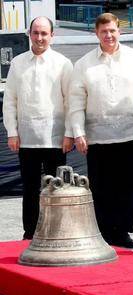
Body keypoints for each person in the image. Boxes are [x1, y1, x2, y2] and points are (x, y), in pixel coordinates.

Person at [68, 13, 133, 248]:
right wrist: (78, 132)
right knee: (101, 186)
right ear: (96, 33)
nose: (108, 35)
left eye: (112, 31)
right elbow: (76, 102)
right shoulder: (84, 64)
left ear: (119, 31)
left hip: (131, 135)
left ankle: (123, 232)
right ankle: (104, 232)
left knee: (130, 185)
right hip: (98, 138)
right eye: (103, 32)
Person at [3, 16, 73, 240]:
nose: (40, 38)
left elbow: (70, 101)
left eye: (44, 33)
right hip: (27, 138)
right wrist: (12, 132)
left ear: (52, 36)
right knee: (30, 189)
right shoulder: (18, 63)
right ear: (29, 34)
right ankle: (30, 232)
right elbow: (10, 100)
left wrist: (70, 133)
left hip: (55, 137)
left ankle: (56, 231)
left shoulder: (63, 63)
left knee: (56, 189)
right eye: (36, 33)